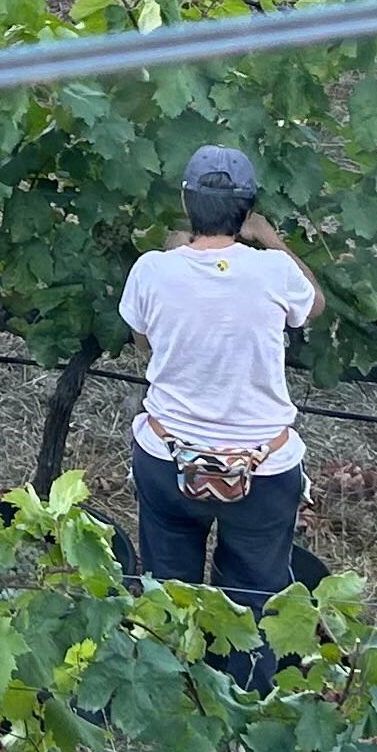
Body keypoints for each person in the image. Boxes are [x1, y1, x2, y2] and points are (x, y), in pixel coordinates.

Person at [120, 143, 316, 672]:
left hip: (169, 462)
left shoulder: (151, 271)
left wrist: (173, 249)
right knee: (254, 602)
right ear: (247, 211)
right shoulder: (275, 270)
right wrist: (270, 239)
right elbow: (311, 306)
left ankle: (173, 694)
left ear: (187, 204)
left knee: (168, 595)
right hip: (263, 470)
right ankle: (245, 716)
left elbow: (145, 343)